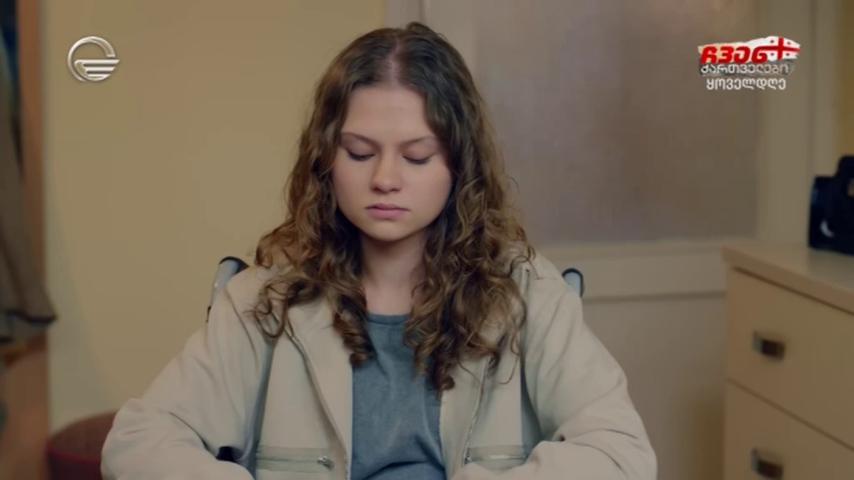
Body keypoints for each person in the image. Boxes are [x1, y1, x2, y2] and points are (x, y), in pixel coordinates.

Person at [101, 22, 657, 480]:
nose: (385, 179)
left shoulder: (526, 294)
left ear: (458, 166)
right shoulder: (264, 301)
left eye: (417, 157)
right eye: (360, 152)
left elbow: (621, 455)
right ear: (327, 159)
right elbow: (138, 442)